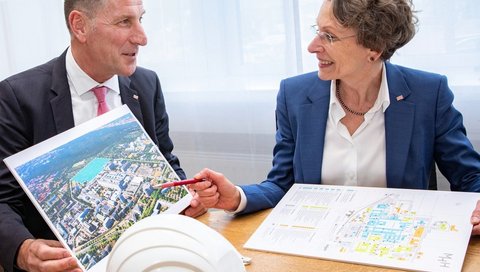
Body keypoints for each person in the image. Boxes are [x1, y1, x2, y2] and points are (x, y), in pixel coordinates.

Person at [185, 0, 480, 234]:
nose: (313, 46)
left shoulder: (429, 93)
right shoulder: (295, 95)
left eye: (329, 36)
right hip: (318, 251)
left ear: (373, 48)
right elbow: (282, 184)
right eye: (317, 30)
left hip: (398, 249)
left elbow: (468, 176)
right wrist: (236, 196)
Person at [0, 0, 187, 271]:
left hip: (147, 256)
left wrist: (186, 193)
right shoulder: (17, 97)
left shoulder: (147, 84)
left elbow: (166, 161)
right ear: (80, 26)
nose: (142, 38)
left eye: (140, 19)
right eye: (124, 22)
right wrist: (23, 249)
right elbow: (3, 199)